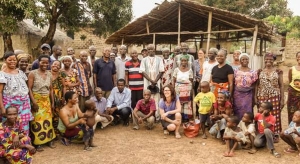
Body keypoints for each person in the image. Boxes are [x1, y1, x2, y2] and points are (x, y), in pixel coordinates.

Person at [0, 51, 33, 135]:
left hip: (24, 103)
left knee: (24, 125)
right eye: (9, 60)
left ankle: (25, 144)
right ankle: (11, 146)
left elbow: (25, 88)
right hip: (10, 104)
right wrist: (2, 108)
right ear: (5, 60)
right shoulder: (2, 75)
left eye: (14, 60)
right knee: (10, 125)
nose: (12, 62)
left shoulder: (21, 73)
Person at [28, 54, 56, 151]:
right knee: (37, 121)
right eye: (42, 62)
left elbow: (51, 89)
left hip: (46, 100)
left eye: (47, 62)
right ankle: (38, 143)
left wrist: (52, 102)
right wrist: (34, 102)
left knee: (48, 120)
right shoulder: (33, 73)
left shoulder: (49, 74)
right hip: (37, 100)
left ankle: (49, 140)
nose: (45, 64)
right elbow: (29, 89)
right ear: (38, 62)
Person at [255, 53, 284, 142]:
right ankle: (261, 132)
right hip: (262, 96)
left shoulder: (278, 71)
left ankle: (275, 134)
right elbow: (256, 85)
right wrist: (255, 97)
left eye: (271, 59)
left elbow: (281, 85)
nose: (268, 61)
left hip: (274, 96)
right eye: (267, 59)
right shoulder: (259, 71)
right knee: (262, 114)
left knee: (275, 114)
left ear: (274, 60)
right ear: (264, 60)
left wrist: (282, 99)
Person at [139, 44, 164, 120]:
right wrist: (151, 80)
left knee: (156, 99)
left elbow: (161, 71)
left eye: (152, 49)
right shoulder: (144, 60)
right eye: (149, 49)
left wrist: (155, 81)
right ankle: (149, 116)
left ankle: (157, 116)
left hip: (156, 82)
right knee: (147, 98)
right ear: (147, 51)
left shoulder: (159, 59)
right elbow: (142, 71)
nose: (150, 51)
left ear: (154, 50)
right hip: (147, 82)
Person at [233, 53, 258, 120]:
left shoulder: (253, 72)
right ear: (240, 60)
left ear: (248, 60)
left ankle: (247, 126)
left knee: (248, 110)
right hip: (237, 94)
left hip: (248, 94)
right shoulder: (235, 71)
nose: (244, 60)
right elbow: (233, 83)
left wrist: (254, 96)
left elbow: (255, 85)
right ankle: (238, 126)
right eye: (242, 59)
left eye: (246, 59)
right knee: (237, 109)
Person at [173, 55, 193, 121]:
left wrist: (190, 90)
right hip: (178, 89)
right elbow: (174, 80)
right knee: (179, 102)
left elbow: (191, 81)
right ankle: (179, 117)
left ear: (187, 62)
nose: (183, 62)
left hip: (187, 89)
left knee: (186, 103)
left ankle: (186, 118)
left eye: (185, 61)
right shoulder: (176, 70)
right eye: (182, 61)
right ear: (180, 62)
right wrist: (173, 89)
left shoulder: (190, 70)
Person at [51, 60, 66, 136]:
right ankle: (52, 132)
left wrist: (64, 97)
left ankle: (57, 132)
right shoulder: (47, 73)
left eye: (58, 65)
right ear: (51, 64)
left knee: (58, 114)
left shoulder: (61, 74)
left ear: (60, 67)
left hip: (59, 96)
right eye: (54, 64)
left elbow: (64, 86)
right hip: (49, 96)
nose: (56, 66)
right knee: (51, 113)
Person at [287, 52, 300, 124]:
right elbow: (290, 81)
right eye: (298, 57)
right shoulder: (291, 69)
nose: (299, 58)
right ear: (296, 58)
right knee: (292, 111)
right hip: (293, 94)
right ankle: (291, 128)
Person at [193, 48, 206, 117]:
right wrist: (196, 79)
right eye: (198, 53)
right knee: (198, 98)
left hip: (206, 83)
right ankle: (198, 113)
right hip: (197, 82)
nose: (199, 55)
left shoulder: (207, 62)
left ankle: (205, 113)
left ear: (204, 54)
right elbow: (193, 72)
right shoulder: (195, 62)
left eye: (201, 53)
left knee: (205, 98)